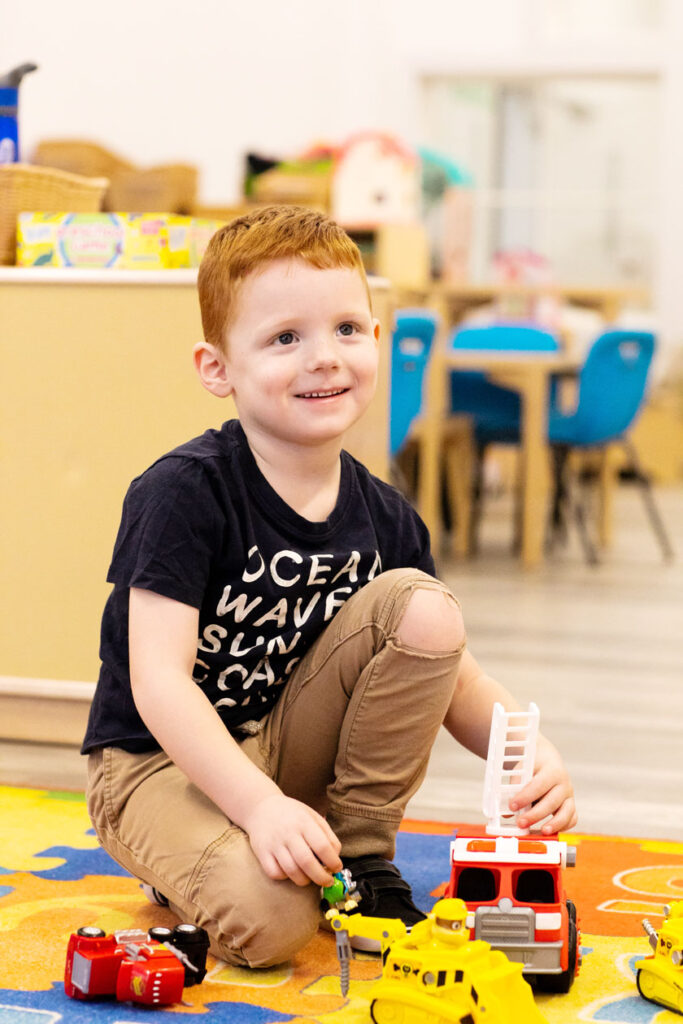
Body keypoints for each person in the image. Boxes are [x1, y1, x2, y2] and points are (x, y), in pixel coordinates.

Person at [83, 205, 576, 969]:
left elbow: (456, 676)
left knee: (425, 612)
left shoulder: (387, 516)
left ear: (378, 343)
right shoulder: (182, 492)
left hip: (279, 746)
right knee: (275, 925)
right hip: (155, 765)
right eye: (285, 338)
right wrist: (258, 807)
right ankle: (193, 856)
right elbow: (157, 684)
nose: (324, 358)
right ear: (218, 368)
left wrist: (525, 750)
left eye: (347, 329)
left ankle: (363, 856)